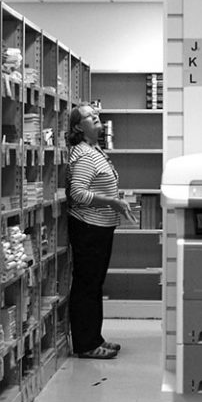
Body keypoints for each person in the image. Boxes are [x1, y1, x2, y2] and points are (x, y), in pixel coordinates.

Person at [66, 102, 136, 359]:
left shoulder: (94, 149)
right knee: (87, 285)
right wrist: (112, 202)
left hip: (100, 227)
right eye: (89, 116)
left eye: (96, 114)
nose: (96, 117)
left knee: (95, 284)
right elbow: (78, 192)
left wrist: (114, 201)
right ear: (77, 127)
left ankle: (95, 338)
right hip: (88, 228)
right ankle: (85, 345)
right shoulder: (84, 154)